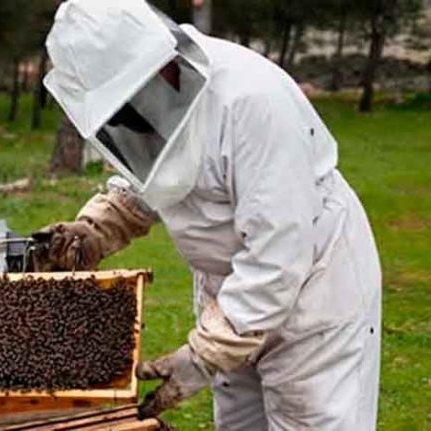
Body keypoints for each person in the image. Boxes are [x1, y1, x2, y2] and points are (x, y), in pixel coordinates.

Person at [34, 0, 382, 429]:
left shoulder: (251, 102)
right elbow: (158, 175)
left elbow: (280, 253)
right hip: (232, 287)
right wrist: (99, 227)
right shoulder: (154, 99)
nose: (126, 116)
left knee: (309, 420)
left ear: (158, 65)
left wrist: (204, 356)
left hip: (314, 288)